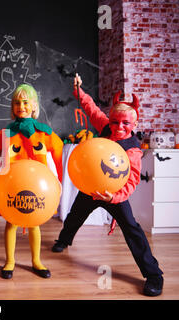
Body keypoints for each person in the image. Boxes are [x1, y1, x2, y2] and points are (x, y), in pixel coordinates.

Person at [51, 73, 164, 296]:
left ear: (135, 123)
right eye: (115, 121)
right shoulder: (105, 127)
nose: (119, 126)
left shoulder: (133, 149)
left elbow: (131, 182)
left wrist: (113, 198)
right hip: (92, 188)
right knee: (75, 215)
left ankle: (154, 275)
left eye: (125, 123)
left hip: (114, 195)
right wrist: (78, 90)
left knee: (132, 230)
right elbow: (91, 108)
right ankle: (64, 240)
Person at [0, 84, 63, 279]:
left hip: (37, 188)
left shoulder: (44, 134)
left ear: (34, 106)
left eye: (25, 102)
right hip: (13, 187)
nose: (20, 106)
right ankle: (10, 261)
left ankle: (36, 261)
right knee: (11, 224)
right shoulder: (5, 134)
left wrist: (55, 181)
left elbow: (55, 154)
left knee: (34, 224)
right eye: (16, 102)